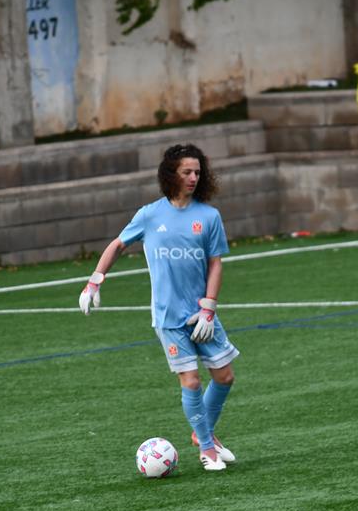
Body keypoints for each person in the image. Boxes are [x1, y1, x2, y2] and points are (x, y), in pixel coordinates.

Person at [78, 143, 239, 471]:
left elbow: (215, 264)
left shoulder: (209, 217)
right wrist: (94, 281)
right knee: (191, 382)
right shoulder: (149, 215)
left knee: (224, 376)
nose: (193, 178)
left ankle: (201, 433)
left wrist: (209, 308)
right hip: (168, 317)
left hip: (201, 314)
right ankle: (207, 449)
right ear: (171, 174)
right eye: (186, 172)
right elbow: (118, 245)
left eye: (197, 172)